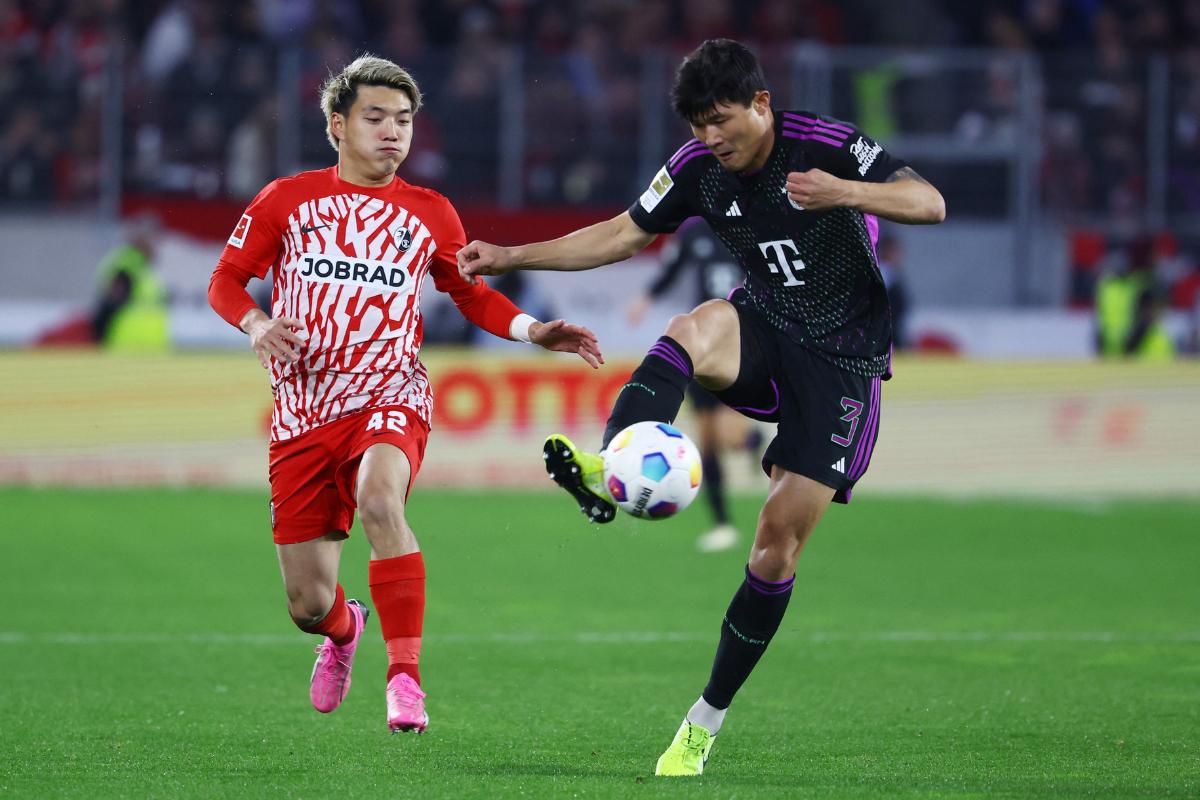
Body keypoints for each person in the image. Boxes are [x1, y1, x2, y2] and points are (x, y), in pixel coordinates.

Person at [459, 39, 944, 775]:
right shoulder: (695, 169)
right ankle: (608, 458)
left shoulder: (826, 144)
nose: (710, 139)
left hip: (845, 361)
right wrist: (511, 255)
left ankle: (702, 722)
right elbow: (623, 234)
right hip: (766, 325)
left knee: (775, 546)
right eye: (696, 127)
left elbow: (929, 202)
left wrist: (848, 192)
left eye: (721, 121)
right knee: (693, 326)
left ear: (760, 104)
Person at [207, 55, 602, 734]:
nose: (394, 132)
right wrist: (258, 322)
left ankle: (406, 683)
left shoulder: (430, 212)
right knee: (307, 603)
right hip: (303, 413)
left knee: (380, 500)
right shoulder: (285, 200)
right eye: (376, 117)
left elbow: (468, 292)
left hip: (390, 393)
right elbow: (225, 281)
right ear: (338, 125)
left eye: (405, 121)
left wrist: (535, 330)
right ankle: (344, 630)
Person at [626, 217, 758, 553]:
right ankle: (722, 523)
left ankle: (751, 440)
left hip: (743, 340)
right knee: (707, 439)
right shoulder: (695, 231)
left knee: (725, 436)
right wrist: (646, 298)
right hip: (705, 343)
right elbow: (672, 268)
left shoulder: (752, 222)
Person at [92, 214, 170, 352]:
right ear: (138, 239)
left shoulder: (144, 267)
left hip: (150, 350)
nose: (155, 242)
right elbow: (108, 307)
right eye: (151, 237)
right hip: (128, 349)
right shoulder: (126, 266)